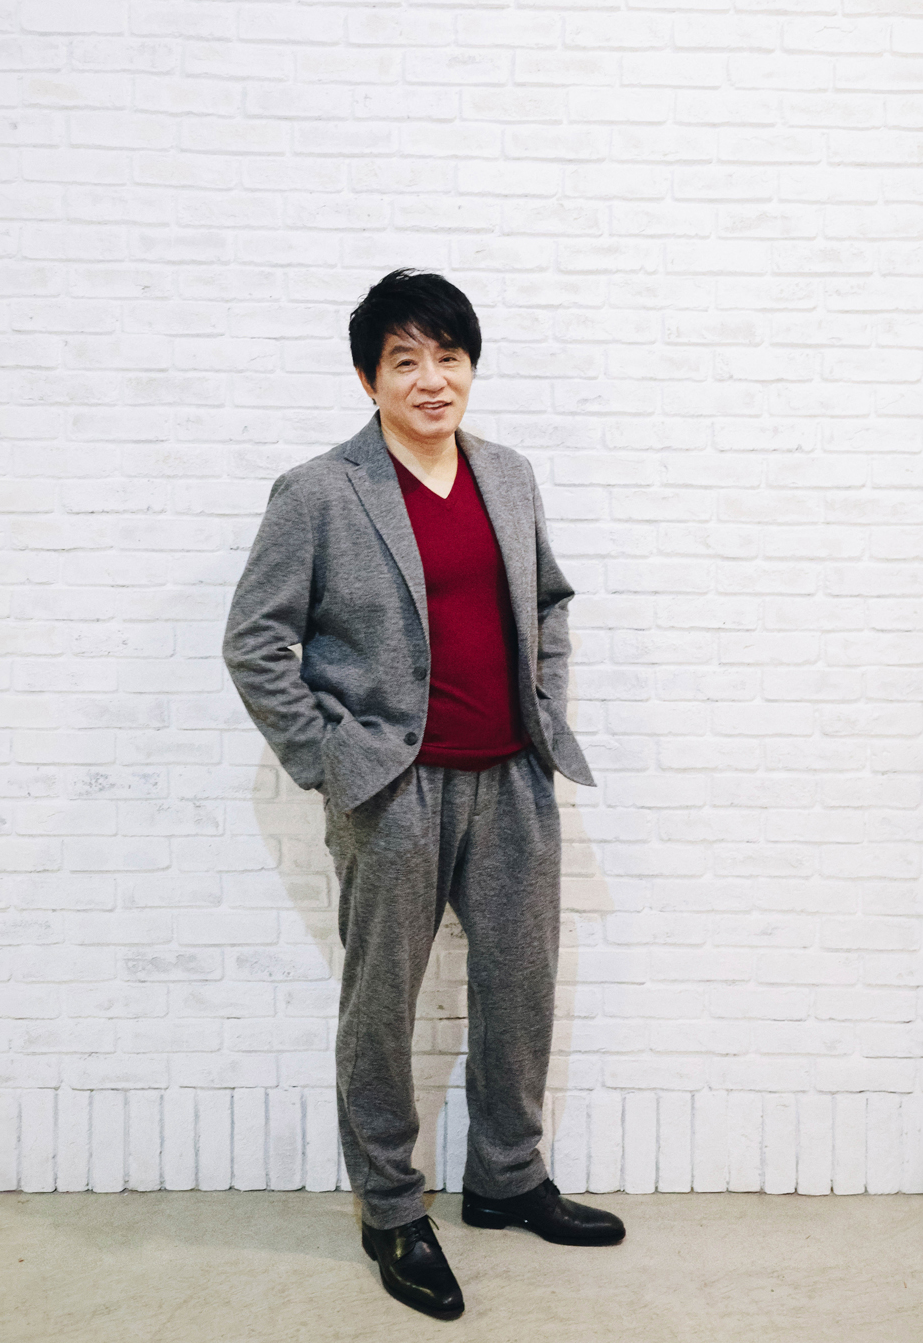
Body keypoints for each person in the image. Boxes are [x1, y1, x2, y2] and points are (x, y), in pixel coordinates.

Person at [223, 269, 625, 1321]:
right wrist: (330, 758)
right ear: (370, 379)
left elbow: (548, 601)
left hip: (513, 776)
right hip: (392, 790)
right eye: (406, 360)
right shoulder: (320, 491)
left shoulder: (508, 475)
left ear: (470, 366)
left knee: (520, 988)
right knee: (381, 1003)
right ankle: (392, 1208)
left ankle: (507, 1179)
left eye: (449, 356)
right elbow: (255, 641)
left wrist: (543, 708)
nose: (432, 378)